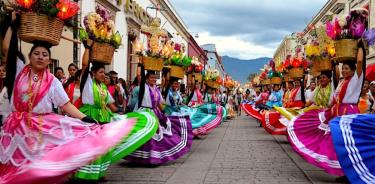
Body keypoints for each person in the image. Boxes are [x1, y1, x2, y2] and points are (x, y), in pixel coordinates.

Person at [0, 16, 138, 183]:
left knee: (39, 164)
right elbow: (7, 49)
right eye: (36, 53)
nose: (40, 57)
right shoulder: (20, 71)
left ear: (49, 60)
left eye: (45, 55)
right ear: (29, 56)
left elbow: (65, 105)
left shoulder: (52, 81)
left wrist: (85, 118)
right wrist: (13, 26)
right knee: (15, 163)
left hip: (41, 127)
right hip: (17, 126)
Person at [73, 41, 158, 181]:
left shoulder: (103, 88)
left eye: (104, 73)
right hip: (89, 115)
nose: (103, 75)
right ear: (93, 74)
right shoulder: (87, 82)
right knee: (89, 146)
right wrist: (88, 47)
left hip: (104, 116)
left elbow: (111, 105)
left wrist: (125, 115)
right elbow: (84, 65)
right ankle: (82, 174)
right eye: (101, 72)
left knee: (105, 146)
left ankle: (99, 172)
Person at [287, 40, 366, 177]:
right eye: (343, 68)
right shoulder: (342, 82)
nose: (344, 70)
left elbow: (360, 62)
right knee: (336, 142)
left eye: (347, 68)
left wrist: (360, 46)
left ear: (353, 70)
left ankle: (350, 172)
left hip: (349, 113)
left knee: (347, 144)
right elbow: (333, 100)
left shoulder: (356, 79)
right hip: (337, 112)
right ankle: (343, 172)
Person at [126, 69, 192, 165]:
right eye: (151, 78)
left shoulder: (156, 89)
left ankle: (155, 156)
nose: (153, 79)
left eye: (155, 78)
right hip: (145, 111)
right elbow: (139, 76)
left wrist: (164, 112)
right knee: (148, 133)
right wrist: (142, 65)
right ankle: (143, 157)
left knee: (162, 131)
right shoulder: (144, 87)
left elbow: (159, 103)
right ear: (147, 79)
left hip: (155, 112)